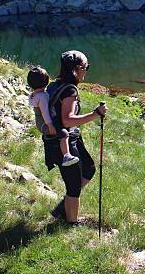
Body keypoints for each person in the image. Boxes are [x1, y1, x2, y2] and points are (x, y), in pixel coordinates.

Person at [44, 50, 108, 225]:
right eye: (86, 67)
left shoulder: (54, 86)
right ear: (78, 69)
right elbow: (67, 119)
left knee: (88, 168)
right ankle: (71, 223)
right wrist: (95, 114)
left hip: (63, 139)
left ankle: (62, 209)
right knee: (73, 186)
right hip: (64, 143)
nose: (86, 71)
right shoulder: (70, 90)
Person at [27, 66, 79, 167]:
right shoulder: (42, 96)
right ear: (45, 81)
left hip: (40, 123)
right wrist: (50, 125)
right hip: (45, 123)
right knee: (64, 133)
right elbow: (45, 113)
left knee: (61, 129)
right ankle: (66, 156)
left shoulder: (34, 94)